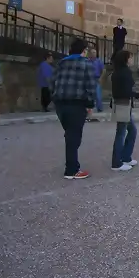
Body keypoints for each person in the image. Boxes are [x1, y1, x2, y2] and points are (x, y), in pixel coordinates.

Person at [50, 38, 97, 180]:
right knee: (74, 136)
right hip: (76, 103)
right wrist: (90, 105)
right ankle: (71, 169)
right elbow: (90, 85)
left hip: (60, 103)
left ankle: (71, 166)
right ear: (84, 50)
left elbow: (52, 82)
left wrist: (55, 97)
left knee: (70, 134)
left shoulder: (61, 63)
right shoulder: (86, 64)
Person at [110, 50, 139, 171]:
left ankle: (125, 157)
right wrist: (136, 94)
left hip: (121, 104)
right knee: (121, 133)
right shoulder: (125, 72)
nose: (132, 59)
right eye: (131, 57)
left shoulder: (117, 72)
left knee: (131, 131)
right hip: (123, 104)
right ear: (126, 59)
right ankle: (116, 162)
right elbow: (124, 90)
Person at [89, 48, 105, 112]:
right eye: (92, 52)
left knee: (98, 94)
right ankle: (89, 108)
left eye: (95, 52)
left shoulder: (99, 61)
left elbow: (104, 70)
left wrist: (101, 78)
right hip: (89, 79)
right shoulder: (87, 61)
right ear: (90, 53)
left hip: (96, 78)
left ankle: (100, 108)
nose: (94, 54)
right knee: (89, 95)